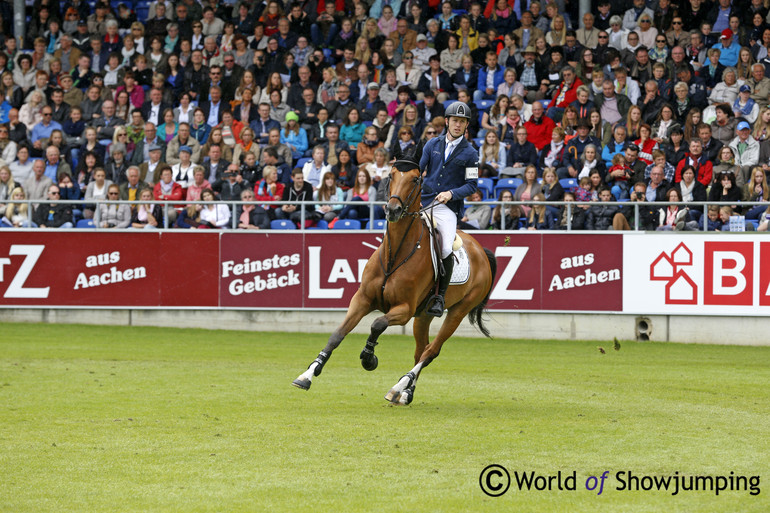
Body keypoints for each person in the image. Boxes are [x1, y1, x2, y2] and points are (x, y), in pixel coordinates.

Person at [418, 101, 478, 317]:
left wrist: (451, 194)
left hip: (446, 208)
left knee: (445, 248)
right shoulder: (432, 145)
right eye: (455, 120)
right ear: (447, 121)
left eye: (462, 122)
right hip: (423, 201)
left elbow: (472, 185)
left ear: (466, 125)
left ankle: (439, 296)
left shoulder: (470, 153)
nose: (458, 125)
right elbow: (419, 169)